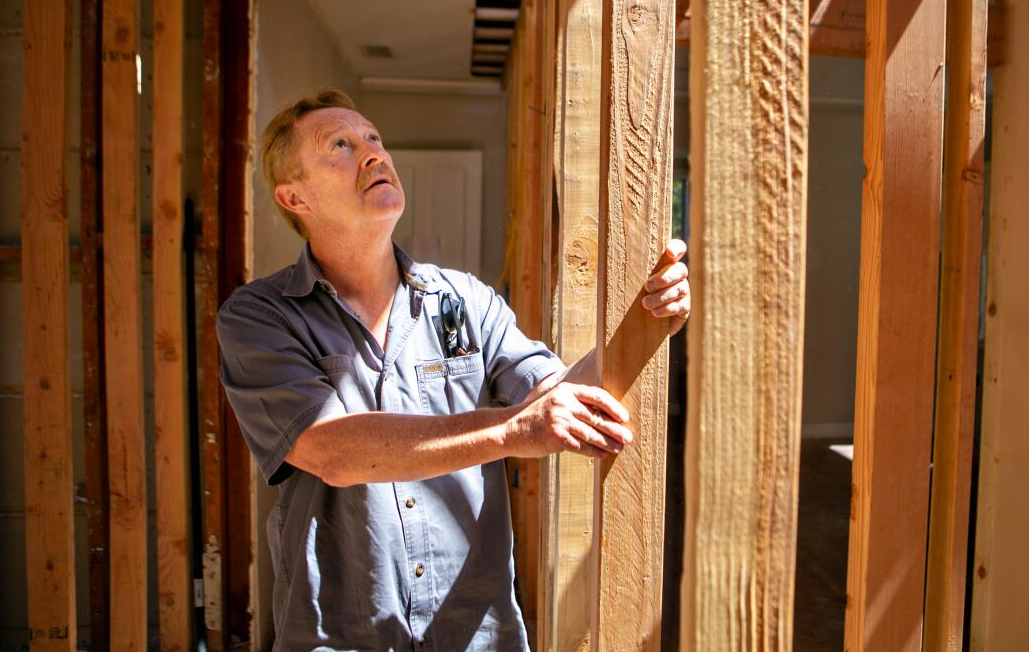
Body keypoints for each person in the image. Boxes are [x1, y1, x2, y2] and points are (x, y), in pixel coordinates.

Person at [217, 89, 691, 651]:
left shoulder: (463, 300)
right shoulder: (260, 317)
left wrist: (644, 321)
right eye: (340, 145)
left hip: (476, 633)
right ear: (294, 197)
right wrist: (517, 429)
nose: (373, 154)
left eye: (374, 138)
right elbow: (332, 451)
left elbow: (560, 396)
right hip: (340, 636)